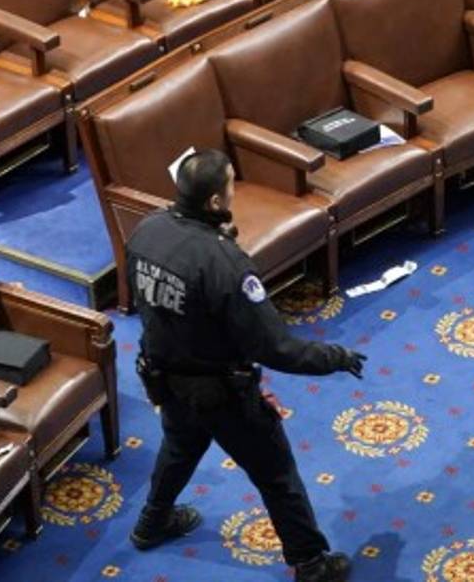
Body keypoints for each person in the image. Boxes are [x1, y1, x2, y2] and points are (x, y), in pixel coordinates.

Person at [125, 148, 365, 582]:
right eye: (231, 183)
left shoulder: (146, 230)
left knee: (179, 447)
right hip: (222, 392)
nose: (235, 189)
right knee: (276, 473)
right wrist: (336, 357)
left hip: (164, 376)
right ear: (216, 202)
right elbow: (275, 348)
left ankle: (152, 522)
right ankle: (311, 563)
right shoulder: (224, 262)